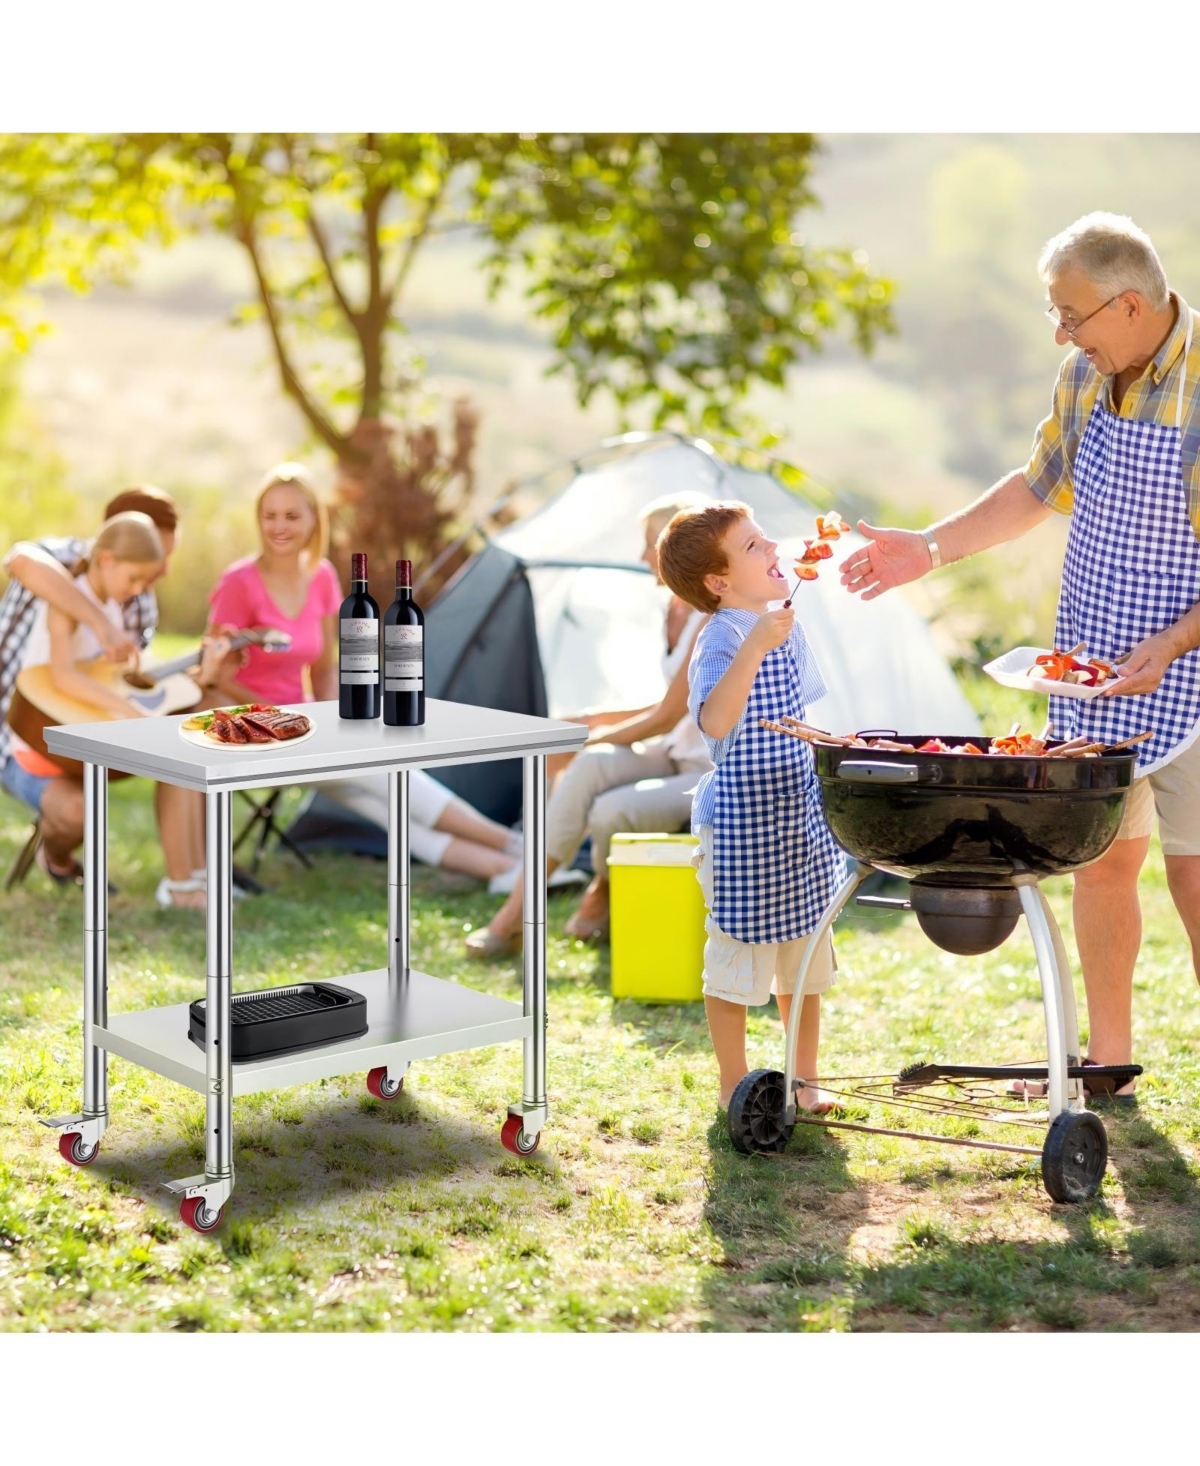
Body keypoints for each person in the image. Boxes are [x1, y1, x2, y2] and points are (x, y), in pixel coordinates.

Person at [839, 212, 1200, 1105]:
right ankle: (1106, 1064)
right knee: (1104, 863)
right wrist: (926, 550)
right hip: (1092, 671)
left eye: (1071, 315)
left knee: (1196, 882)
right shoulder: (1087, 371)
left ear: (1127, 304)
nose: (1061, 333)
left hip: (1186, 675)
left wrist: (1169, 644)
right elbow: (1040, 485)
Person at [200, 462, 519, 882]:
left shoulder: (321, 578)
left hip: (307, 727)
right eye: (270, 515)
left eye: (292, 516)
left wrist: (338, 725)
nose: (279, 526)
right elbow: (211, 675)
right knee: (388, 777)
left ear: (315, 520)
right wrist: (278, 719)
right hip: (257, 731)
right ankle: (521, 848)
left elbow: (325, 666)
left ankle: (509, 869)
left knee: (385, 797)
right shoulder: (239, 582)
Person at [464, 491, 713, 958]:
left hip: (706, 770)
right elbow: (668, 702)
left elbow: (668, 714)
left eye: (651, 543)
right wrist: (587, 724)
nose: (642, 556)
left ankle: (600, 890)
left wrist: (585, 738)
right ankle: (514, 918)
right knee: (589, 765)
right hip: (674, 753)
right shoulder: (673, 608)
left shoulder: (708, 616)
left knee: (606, 805)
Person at [656, 500, 844, 1111]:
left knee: (805, 958)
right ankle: (734, 1083)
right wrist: (754, 649)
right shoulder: (721, 638)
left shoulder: (780, 622)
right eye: (755, 547)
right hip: (742, 822)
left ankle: (804, 1077)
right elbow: (714, 719)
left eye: (768, 541)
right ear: (718, 581)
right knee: (736, 956)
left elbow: (794, 713)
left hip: (797, 814)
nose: (773, 553)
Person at [0, 485, 225, 902]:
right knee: (84, 809)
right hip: (38, 742)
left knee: (189, 734)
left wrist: (200, 672)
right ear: (107, 558)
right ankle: (71, 860)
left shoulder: (120, 602)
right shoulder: (65, 596)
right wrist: (125, 710)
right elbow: (64, 678)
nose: (143, 587)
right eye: (135, 577)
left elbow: (121, 676)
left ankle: (196, 876)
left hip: (84, 735)